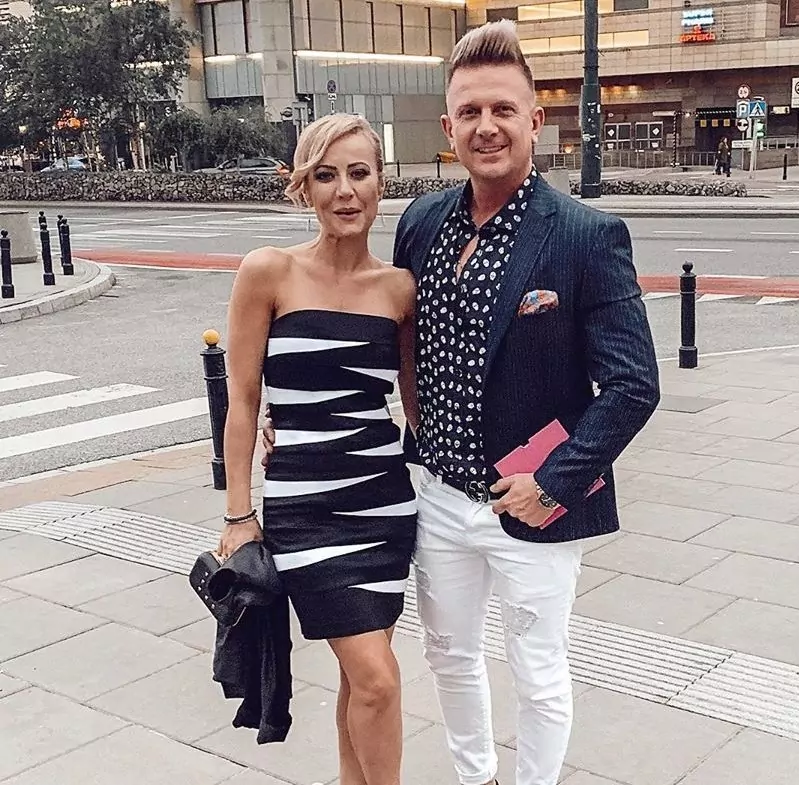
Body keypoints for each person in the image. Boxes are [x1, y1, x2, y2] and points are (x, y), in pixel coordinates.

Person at [264, 19, 660, 785]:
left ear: (535, 121)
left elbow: (634, 383)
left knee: (538, 670)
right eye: (470, 111)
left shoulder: (586, 236)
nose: (487, 126)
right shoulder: (422, 223)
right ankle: (476, 776)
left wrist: (554, 482)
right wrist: (299, 411)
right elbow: (382, 335)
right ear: (449, 128)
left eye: (503, 109)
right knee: (449, 655)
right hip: (439, 497)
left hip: (535, 503)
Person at [219, 113, 418, 785]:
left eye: (359, 173)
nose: (344, 191)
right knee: (379, 679)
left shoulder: (398, 289)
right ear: (304, 188)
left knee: (360, 679)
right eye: (326, 176)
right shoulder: (268, 271)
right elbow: (242, 399)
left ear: (381, 182)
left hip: (384, 506)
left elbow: (417, 407)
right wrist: (238, 513)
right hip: (305, 511)